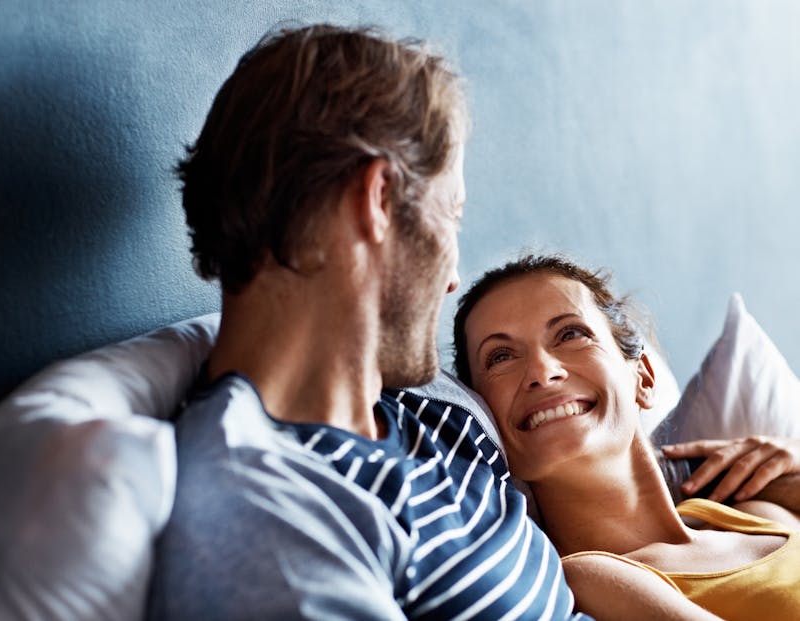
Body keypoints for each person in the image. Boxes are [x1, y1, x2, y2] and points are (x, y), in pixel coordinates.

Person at [146, 24, 724, 621]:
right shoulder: (269, 509)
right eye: (452, 215)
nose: (453, 280)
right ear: (376, 200)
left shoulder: (431, 403)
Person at [453, 253, 800, 620]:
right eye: (500, 357)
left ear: (644, 379)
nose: (542, 370)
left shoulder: (760, 511)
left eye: (570, 334)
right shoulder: (591, 579)